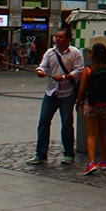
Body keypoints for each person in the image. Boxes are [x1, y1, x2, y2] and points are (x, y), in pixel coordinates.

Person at [27, 29, 84, 165]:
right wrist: (40, 71)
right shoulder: (50, 53)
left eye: (60, 37)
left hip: (67, 93)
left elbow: (79, 70)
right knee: (43, 123)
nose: (57, 39)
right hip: (51, 93)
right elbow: (43, 67)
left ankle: (69, 154)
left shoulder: (75, 53)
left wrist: (65, 77)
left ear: (68, 39)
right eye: (56, 37)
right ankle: (40, 154)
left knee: (66, 125)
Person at [75, 42, 106, 175]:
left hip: (91, 104)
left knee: (91, 134)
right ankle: (103, 161)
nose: (89, 53)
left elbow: (81, 90)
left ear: (93, 55)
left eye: (91, 51)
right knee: (102, 133)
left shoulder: (87, 70)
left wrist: (78, 102)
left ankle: (91, 163)